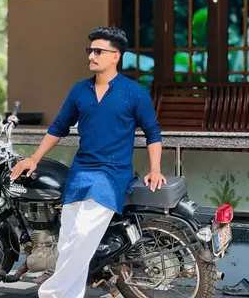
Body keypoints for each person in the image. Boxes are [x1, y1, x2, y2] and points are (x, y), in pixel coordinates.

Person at [10, 27, 166, 298]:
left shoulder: (134, 93)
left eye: (98, 51)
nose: (91, 56)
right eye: (89, 50)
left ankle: (51, 293)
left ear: (115, 56)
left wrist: (155, 169)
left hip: (112, 174)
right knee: (68, 240)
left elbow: (153, 133)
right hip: (81, 171)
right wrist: (34, 158)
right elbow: (58, 127)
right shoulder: (80, 90)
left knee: (82, 235)